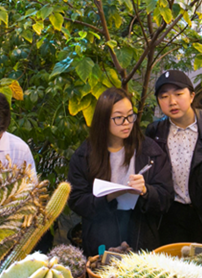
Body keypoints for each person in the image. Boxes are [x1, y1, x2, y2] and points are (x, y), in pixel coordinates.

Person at [68, 88, 168, 256]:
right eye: (119, 118)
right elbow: (76, 199)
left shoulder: (150, 151)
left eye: (130, 116)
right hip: (100, 235)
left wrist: (146, 191)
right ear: (103, 119)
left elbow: (165, 197)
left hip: (141, 233)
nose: (126, 123)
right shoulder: (85, 155)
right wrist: (106, 197)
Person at [146, 70, 202, 245]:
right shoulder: (155, 131)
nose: (172, 102)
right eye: (164, 96)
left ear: (192, 96)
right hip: (171, 215)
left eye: (179, 94)